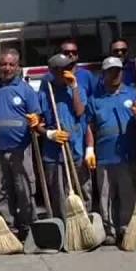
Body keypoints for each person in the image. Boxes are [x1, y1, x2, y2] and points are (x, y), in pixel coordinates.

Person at [0, 48, 42, 239]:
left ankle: (29, 226)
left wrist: (36, 120)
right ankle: (8, 227)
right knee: (1, 191)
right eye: (3, 64)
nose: (7, 68)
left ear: (18, 66)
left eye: (11, 64)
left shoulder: (25, 90)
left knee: (24, 189)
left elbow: (37, 116)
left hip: (21, 150)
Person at [86, 57, 136, 244]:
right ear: (103, 74)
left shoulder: (133, 94)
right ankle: (109, 229)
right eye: (111, 71)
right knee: (105, 194)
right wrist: (90, 149)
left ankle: (127, 227)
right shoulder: (95, 99)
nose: (115, 74)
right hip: (104, 156)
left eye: (118, 70)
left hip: (127, 154)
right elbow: (90, 126)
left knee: (127, 193)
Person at [38, 53, 90, 216]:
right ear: (53, 71)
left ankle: (85, 225)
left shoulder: (77, 89)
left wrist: (73, 87)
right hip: (53, 153)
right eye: (62, 69)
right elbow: (37, 124)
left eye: (70, 67)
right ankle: (64, 228)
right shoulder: (45, 93)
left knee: (81, 189)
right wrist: (49, 134)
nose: (67, 71)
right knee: (59, 194)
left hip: (75, 148)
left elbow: (80, 112)